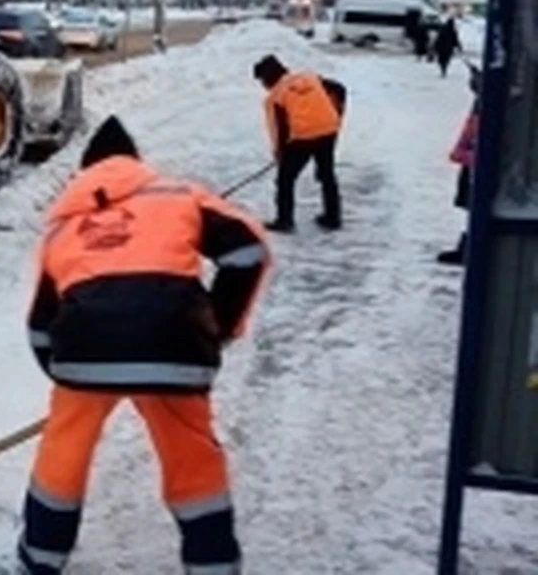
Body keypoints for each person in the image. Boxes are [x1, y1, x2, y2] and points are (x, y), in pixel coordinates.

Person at [18, 116, 272, 575]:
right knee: (191, 455)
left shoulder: (62, 226)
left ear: (85, 171)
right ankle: (212, 563)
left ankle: (39, 560)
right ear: (135, 162)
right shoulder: (178, 196)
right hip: (173, 348)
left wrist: (67, 378)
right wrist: (216, 327)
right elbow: (248, 252)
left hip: (83, 356)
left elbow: (40, 324)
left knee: (63, 451)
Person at [253, 55, 344, 233]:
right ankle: (333, 218)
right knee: (327, 175)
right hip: (329, 129)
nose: (263, 86)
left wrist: (280, 153)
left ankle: (284, 221)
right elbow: (339, 89)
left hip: (303, 137)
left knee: (285, 179)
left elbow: (278, 130)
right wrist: (337, 113)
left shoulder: (275, 97)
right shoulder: (310, 77)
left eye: (262, 81)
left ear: (267, 77)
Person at [438, 65, 481, 266]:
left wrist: (481, 83)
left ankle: (471, 248)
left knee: (477, 198)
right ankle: (469, 246)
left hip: (482, 146)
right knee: (472, 199)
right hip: (476, 140)